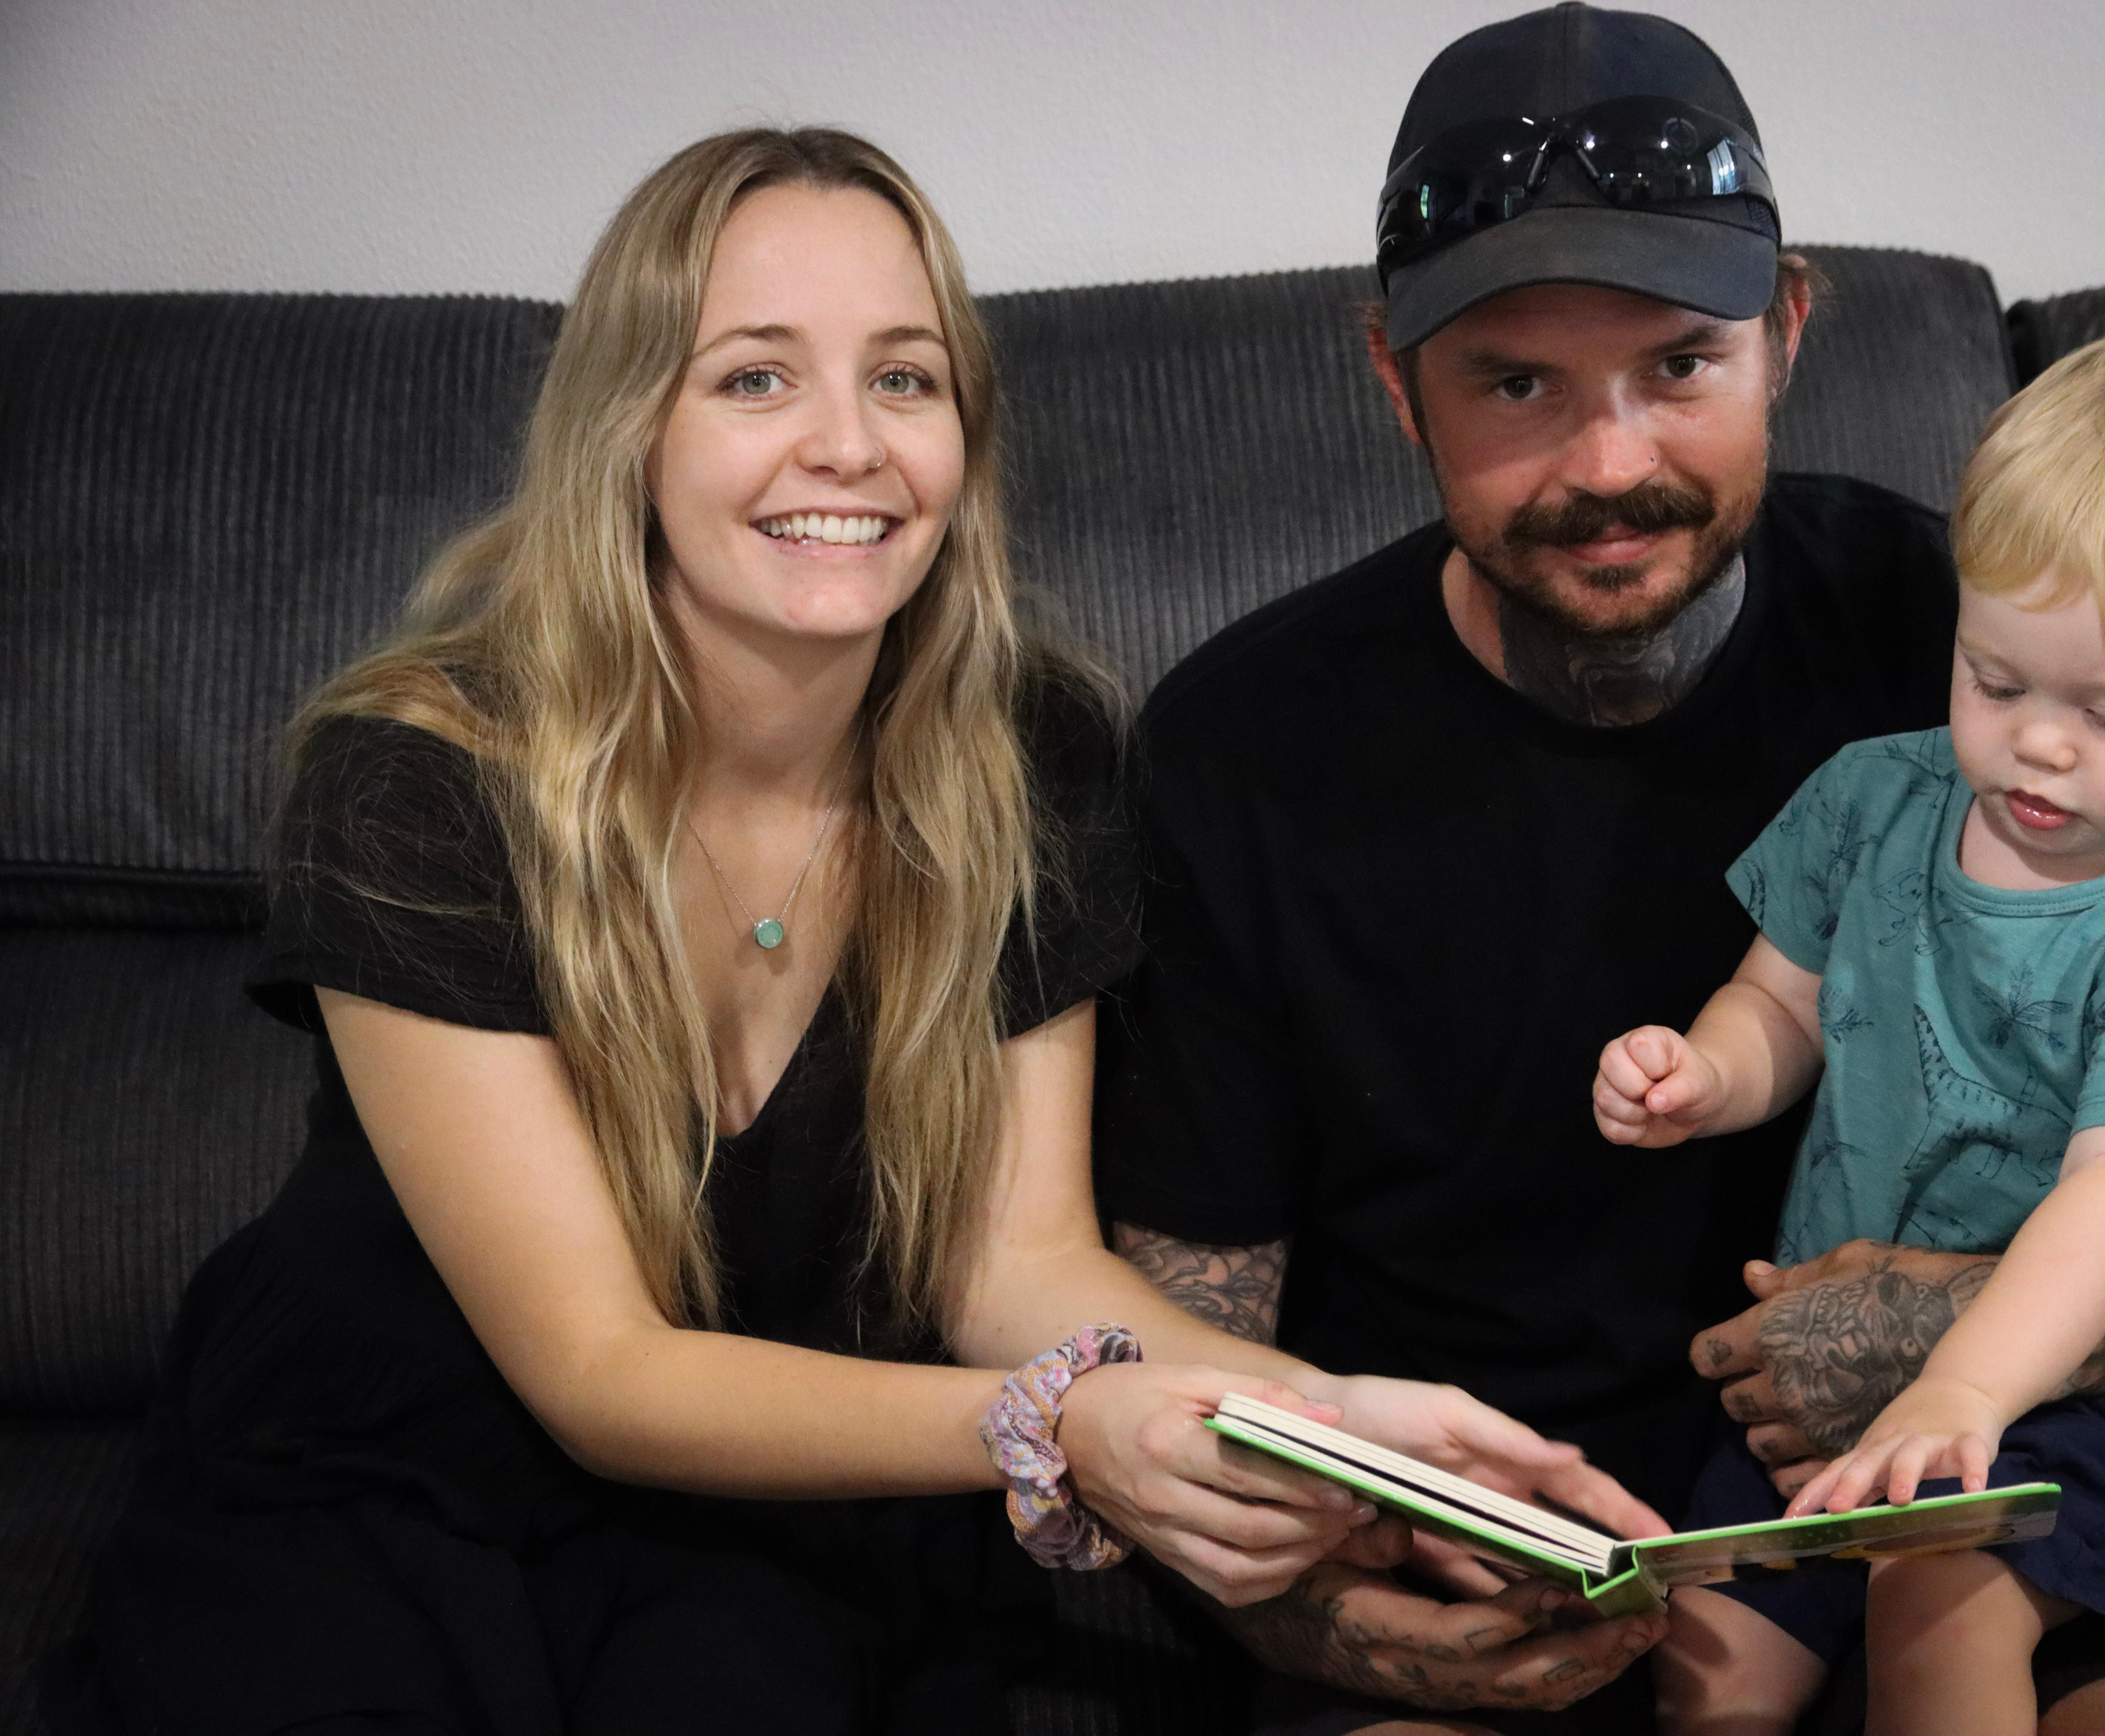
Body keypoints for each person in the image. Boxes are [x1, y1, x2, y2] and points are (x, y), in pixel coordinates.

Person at [49, 126, 1654, 1735]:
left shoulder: (1030, 754)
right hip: (383, 1484)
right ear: (631, 428)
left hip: (784, 1498)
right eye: (755, 379)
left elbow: (1014, 1262)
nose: (849, 446)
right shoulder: (420, 778)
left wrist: (1335, 1427)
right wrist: (1053, 1425)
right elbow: (600, 1373)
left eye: (905, 379)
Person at [1092, 6, 2105, 1733]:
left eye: (1680, 366)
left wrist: (1952, 1340)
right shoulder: (1237, 754)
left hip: (1992, 1474)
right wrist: (1335, 1621)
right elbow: (1176, 1339)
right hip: (1509, 1562)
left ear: (1787, 330)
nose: (1610, 465)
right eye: (1515, 383)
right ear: (1394, 378)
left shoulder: (1990, 636)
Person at [1596, 330, 2105, 1734]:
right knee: (1707, 1658)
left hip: (2069, 1397)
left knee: (1934, 1607)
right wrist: (1707, 1072)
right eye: (1997, 681)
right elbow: (1782, 1002)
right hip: (1828, 1375)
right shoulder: (1874, 797)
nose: (2040, 745)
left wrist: (1965, 1389)